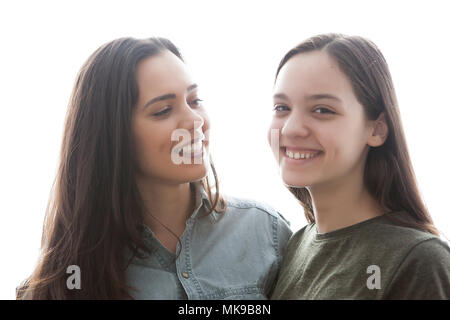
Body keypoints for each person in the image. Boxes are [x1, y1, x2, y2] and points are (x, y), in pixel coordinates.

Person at [16, 37, 292, 299]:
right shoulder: (61, 283)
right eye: (163, 111)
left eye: (194, 101)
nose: (194, 120)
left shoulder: (266, 232)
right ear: (113, 137)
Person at [267, 33, 450, 299]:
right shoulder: (296, 244)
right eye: (282, 107)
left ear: (377, 129)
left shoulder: (419, 260)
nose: (291, 128)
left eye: (322, 110)